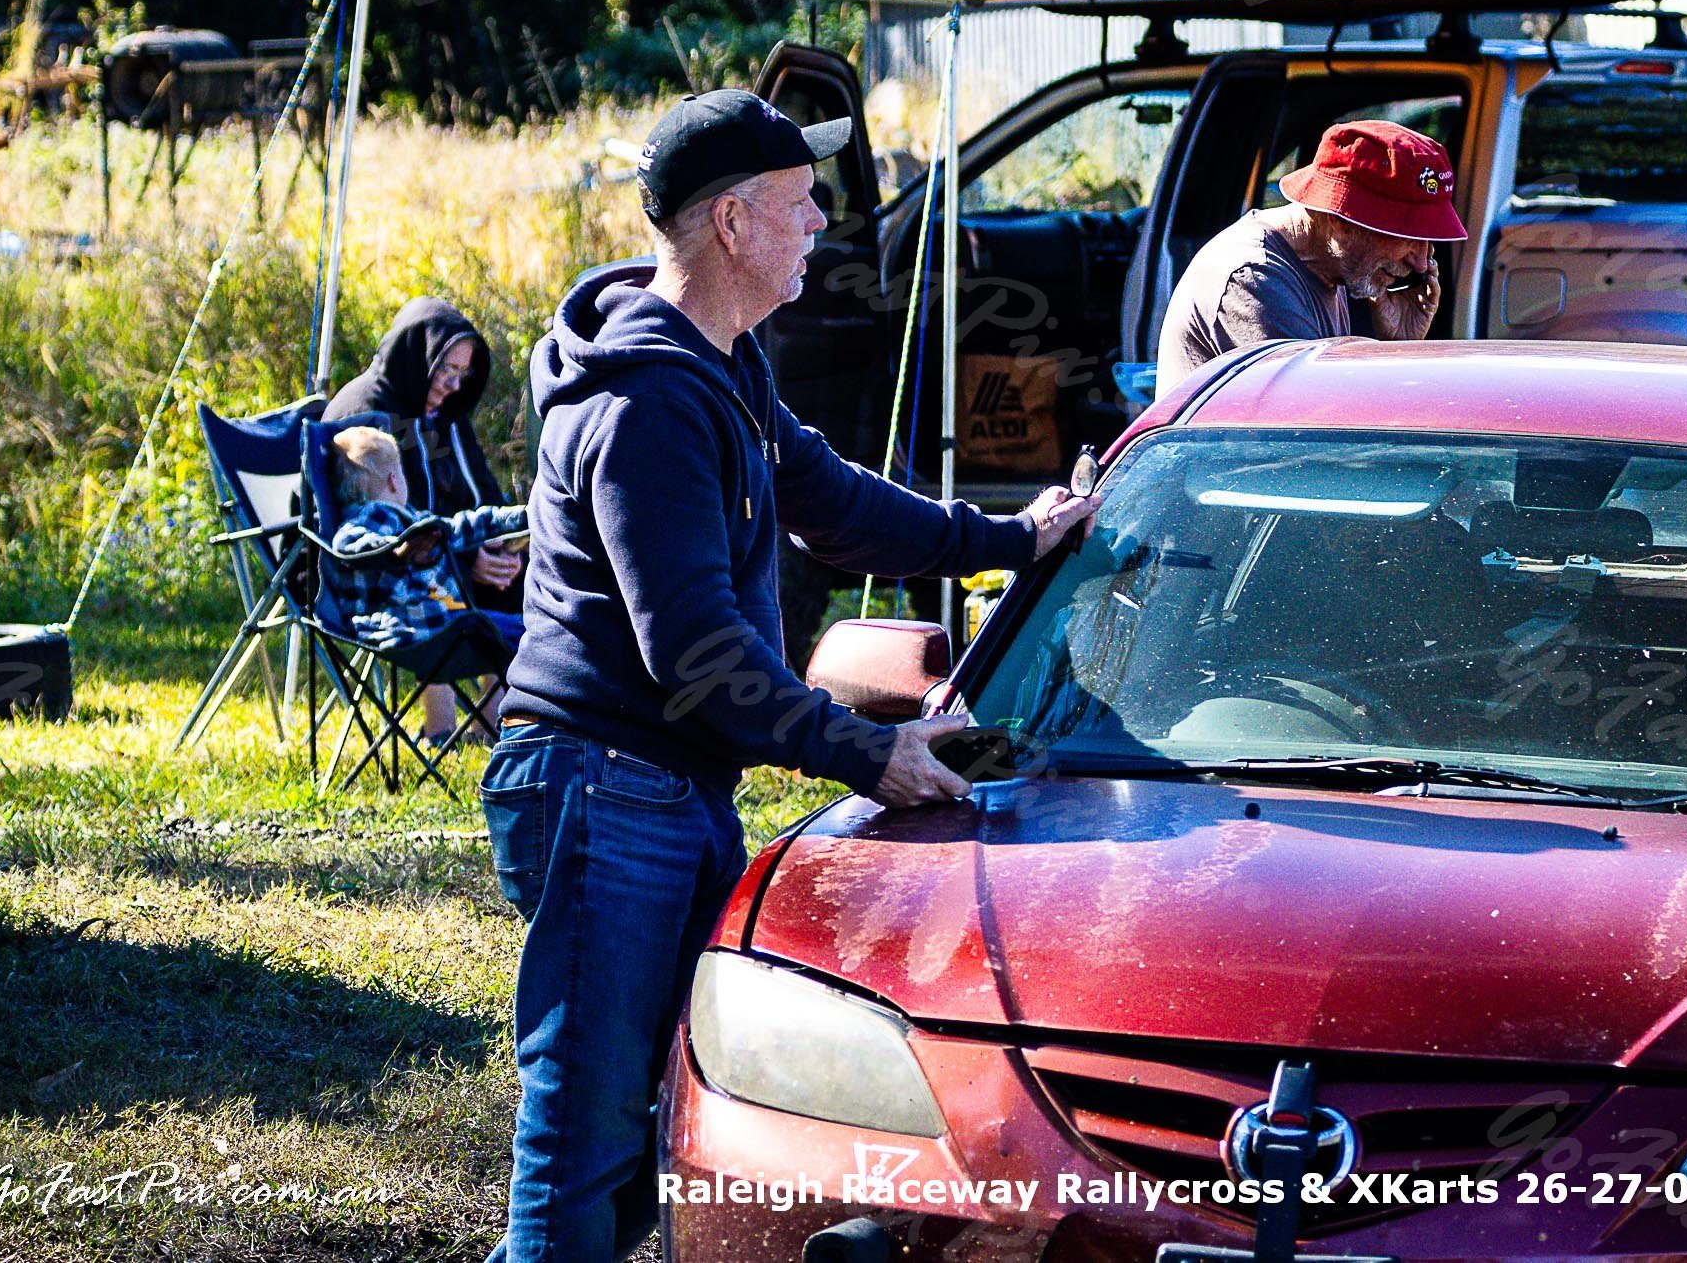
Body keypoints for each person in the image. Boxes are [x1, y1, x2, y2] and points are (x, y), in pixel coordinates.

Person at [478, 88, 1102, 1263]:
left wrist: (1020, 540)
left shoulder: (725, 364)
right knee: (585, 1132)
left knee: (644, 1123)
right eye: (798, 202)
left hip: (659, 788)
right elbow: (699, 657)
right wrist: (867, 749)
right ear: (729, 224)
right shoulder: (646, 403)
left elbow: (841, 508)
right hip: (603, 789)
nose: (820, 221)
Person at [1153, 119, 1468, 400]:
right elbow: (1320, 427)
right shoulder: (1255, 279)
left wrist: (1395, 347)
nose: (1422, 262)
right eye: (1408, 237)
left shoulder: (1328, 264)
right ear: (1340, 218)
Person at [325, 296, 525, 610]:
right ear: (419, 357)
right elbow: (383, 517)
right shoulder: (366, 411)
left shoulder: (445, 413)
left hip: (456, 547)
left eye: (463, 373)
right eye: (446, 369)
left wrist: (507, 547)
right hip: (405, 573)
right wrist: (466, 558)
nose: (454, 385)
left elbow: (483, 488)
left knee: (541, 574)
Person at [326, 425, 527, 734]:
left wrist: (514, 519)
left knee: (520, 632)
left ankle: (485, 730)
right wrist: (397, 550)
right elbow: (349, 546)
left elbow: (461, 526)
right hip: (424, 626)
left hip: (435, 624)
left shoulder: (410, 519)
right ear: (395, 481)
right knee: (534, 635)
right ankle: (510, 732)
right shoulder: (372, 517)